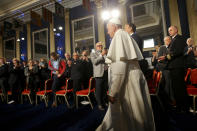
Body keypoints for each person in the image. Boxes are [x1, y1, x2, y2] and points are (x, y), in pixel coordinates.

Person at [96, 18, 155, 131]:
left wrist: (113, 91)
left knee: (132, 116)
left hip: (127, 81)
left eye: (108, 29)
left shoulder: (119, 36)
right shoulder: (125, 35)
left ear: (114, 26)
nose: (108, 32)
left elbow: (120, 67)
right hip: (131, 78)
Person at [160, 26, 188, 112]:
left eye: (171, 30)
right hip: (173, 66)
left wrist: (165, 57)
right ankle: (180, 106)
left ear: (176, 30)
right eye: (168, 30)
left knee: (179, 87)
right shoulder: (174, 39)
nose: (169, 32)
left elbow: (177, 51)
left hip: (177, 66)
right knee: (176, 87)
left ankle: (183, 107)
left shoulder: (179, 38)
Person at [91, 42, 108, 110]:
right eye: (98, 46)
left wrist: (105, 55)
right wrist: (101, 55)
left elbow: (107, 61)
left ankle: (104, 102)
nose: (100, 47)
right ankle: (99, 104)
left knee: (104, 89)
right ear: (96, 47)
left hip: (105, 73)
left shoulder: (104, 53)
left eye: (101, 45)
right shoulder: (93, 53)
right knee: (99, 90)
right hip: (98, 74)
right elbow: (94, 62)